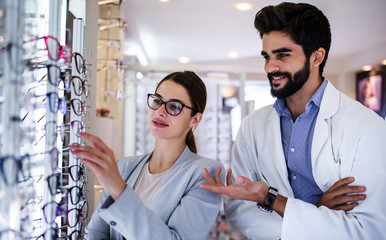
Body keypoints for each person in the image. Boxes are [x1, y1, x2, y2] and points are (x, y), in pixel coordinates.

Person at [200, 2, 386, 239]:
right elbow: (240, 209)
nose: (270, 67)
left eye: (283, 55)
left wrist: (273, 200)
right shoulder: (251, 126)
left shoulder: (367, 127)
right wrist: (317, 213)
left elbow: (368, 230)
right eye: (267, 56)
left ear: (317, 56)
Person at [70, 71, 224, 239]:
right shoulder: (123, 167)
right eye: (157, 101)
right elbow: (96, 233)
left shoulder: (206, 173)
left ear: (194, 120)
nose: (160, 111)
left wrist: (120, 191)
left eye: (174, 106)